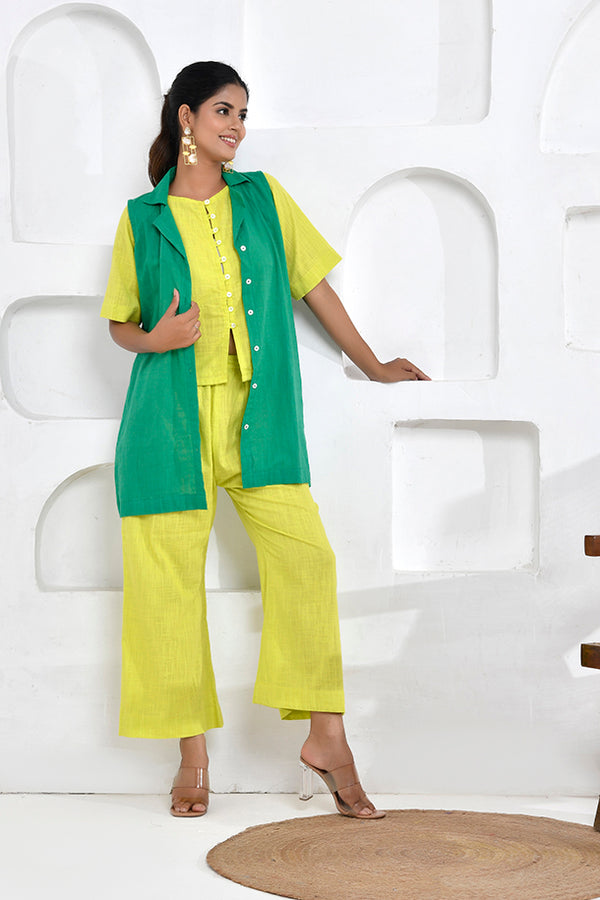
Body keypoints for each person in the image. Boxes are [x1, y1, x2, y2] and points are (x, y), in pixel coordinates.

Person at [101, 61, 429, 820]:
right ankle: (192, 759)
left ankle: (327, 738)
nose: (237, 126)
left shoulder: (263, 198)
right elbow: (119, 323)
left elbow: (313, 287)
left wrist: (372, 364)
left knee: (307, 560)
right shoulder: (141, 218)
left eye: (244, 114)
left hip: (261, 416)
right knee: (165, 589)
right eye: (224, 110)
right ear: (186, 117)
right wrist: (155, 338)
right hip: (167, 425)